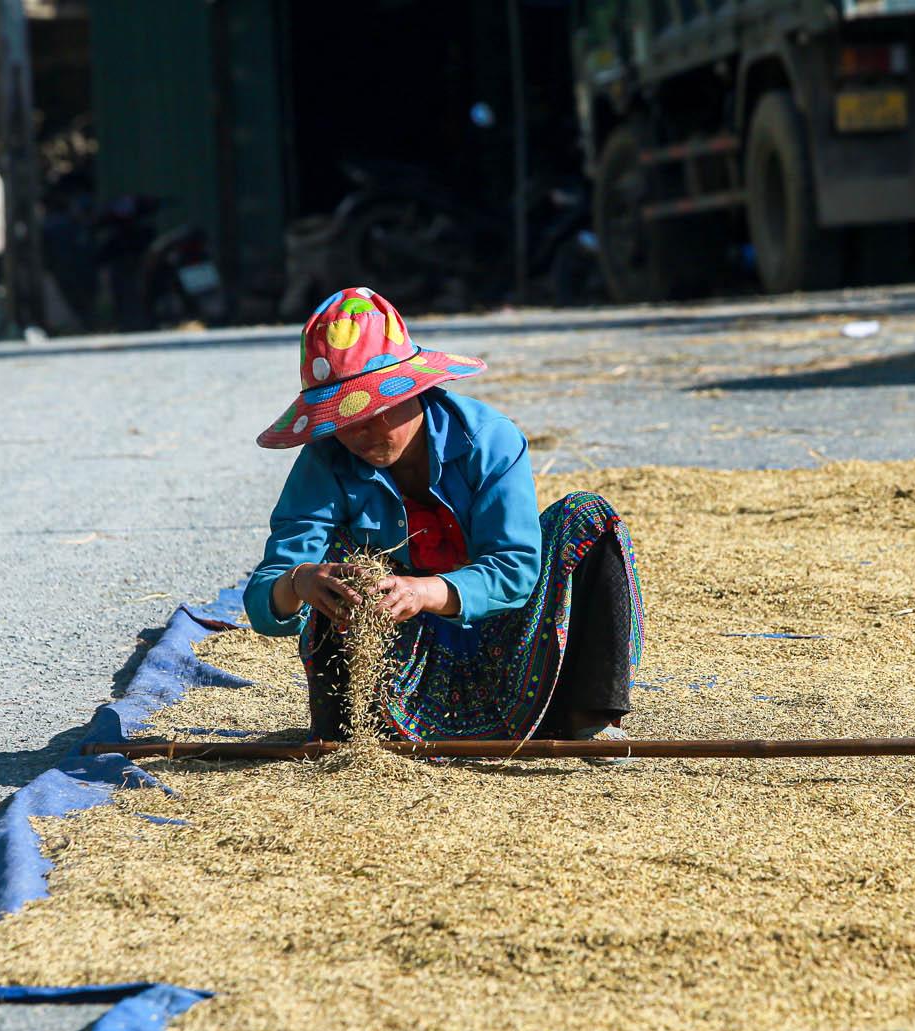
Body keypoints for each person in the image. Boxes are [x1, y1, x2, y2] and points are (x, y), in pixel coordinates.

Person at [243, 287, 644, 746]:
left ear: (413, 390)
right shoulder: (325, 461)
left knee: (587, 516)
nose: (360, 431)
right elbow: (263, 597)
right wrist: (299, 582)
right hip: (402, 674)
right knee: (338, 563)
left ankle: (585, 718)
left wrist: (426, 591)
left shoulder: (489, 439)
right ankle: (353, 732)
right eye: (342, 418)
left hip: (521, 646)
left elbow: (515, 570)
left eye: (377, 409)